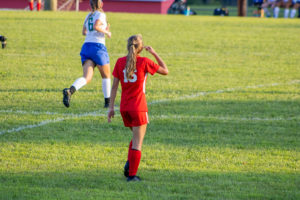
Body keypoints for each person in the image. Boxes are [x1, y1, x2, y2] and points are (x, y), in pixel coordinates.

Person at [107, 34, 168, 182]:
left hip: (124, 108)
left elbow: (114, 86)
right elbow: (165, 70)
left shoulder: (120, 62)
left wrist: (110, 107)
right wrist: (154, 53)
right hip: (138, 108)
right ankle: (132, 175)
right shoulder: (144, 61)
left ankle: (129, 164)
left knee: (135, 137)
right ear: (140, 48)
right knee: (137, 142)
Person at [63, 0, 112, 108]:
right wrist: (107, 32)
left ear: (90, 5)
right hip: (97, 47)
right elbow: (96, 26)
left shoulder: (88, 16)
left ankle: (70, 90)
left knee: (87, 77)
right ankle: (107, 103)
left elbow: (84, 32)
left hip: (86, 46)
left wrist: (101, 29)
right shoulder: (101, 14)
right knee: (106, 76)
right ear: (101, 4)